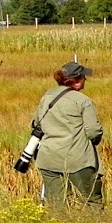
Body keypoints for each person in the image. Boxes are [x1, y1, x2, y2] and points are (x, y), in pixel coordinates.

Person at [30, 61, 103, 209]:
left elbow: (36, 123)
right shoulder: (83, 101)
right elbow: (93, 132)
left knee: (58, 204)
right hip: (77, 160)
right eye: (83, 77)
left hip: (48, 159)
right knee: (92, 201)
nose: (85, 80)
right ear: (76, 81)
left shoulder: (47, 96)